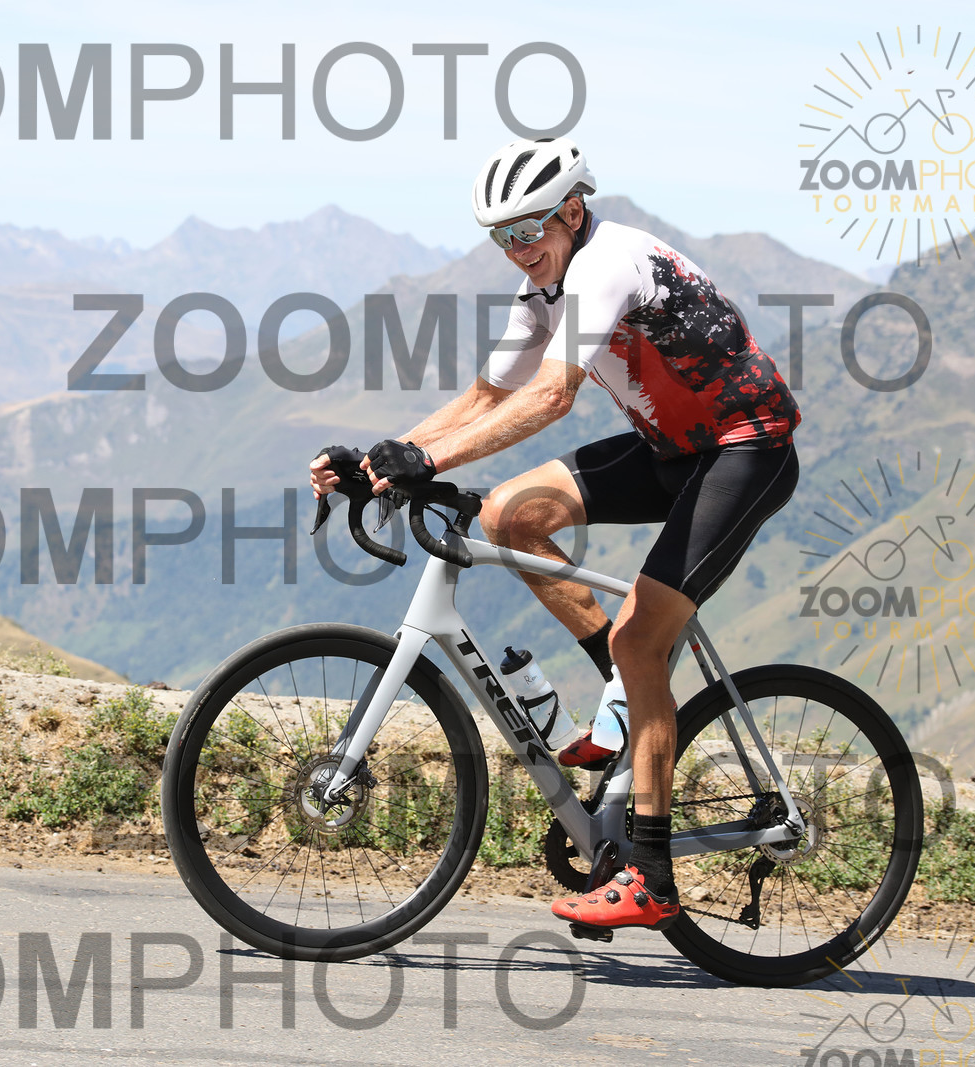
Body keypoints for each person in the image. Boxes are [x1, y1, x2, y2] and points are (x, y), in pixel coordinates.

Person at [309, 136, 801, 932]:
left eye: (528, 229)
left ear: (572, 212)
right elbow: (484, 398)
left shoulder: (609, 263)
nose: (517, 248)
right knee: (510, 514)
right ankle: (621, 696)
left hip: (746, 451)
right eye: (501, 237)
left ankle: (651, 876)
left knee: (642, 641)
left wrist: (427, 459)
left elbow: (549, 397)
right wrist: (377, 461)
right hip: (670, 450)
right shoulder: (542, 290)